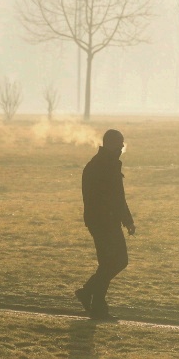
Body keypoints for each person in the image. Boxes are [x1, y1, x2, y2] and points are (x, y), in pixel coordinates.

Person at [76, 128, 135, 318]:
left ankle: (92, 299)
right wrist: (125, 220)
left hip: (104, 221)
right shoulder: (103, 166)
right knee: (116, 261)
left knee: (109, 263)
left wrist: (126, 220)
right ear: (111, 144)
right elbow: (115, 198)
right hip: (104, 222)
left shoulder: (104, 163)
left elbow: (117, 197)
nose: (122, 146)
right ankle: (93, 299)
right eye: (120, 143)